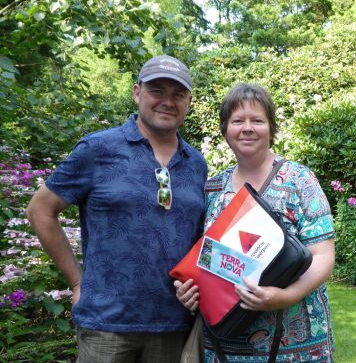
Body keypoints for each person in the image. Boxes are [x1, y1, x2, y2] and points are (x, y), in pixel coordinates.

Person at [27, 55, 208, 363]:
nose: (167, 101)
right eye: (157, 91)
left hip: (174, 324)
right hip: (106, 325)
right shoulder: (98, 149)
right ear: (137, 93)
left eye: (177, 94)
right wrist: (77, 282)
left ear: (189, 101)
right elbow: (39, 210)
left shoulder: (196, 165)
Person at [174, 83, 335, 362]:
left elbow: (323, 255)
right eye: (237, 121)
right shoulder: (212, 188)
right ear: (226, 130)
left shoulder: (299, 180)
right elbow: (203, 255)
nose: (247, 128)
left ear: (271, 129)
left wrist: (285, 296)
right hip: (227, 343)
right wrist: (188, 290)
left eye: (257, 120)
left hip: (297, 346)